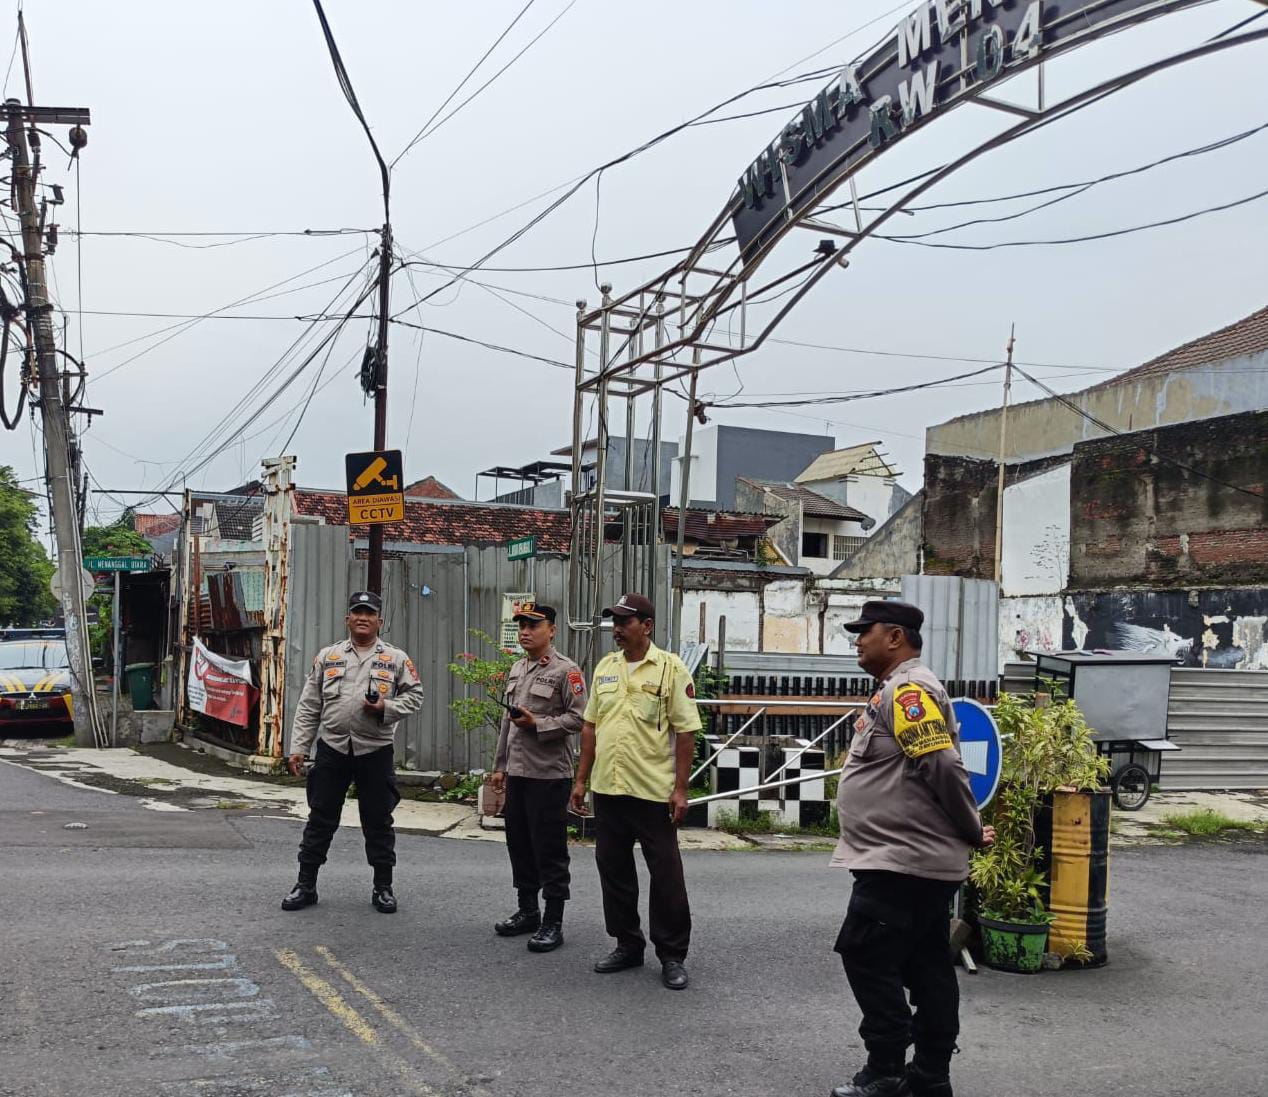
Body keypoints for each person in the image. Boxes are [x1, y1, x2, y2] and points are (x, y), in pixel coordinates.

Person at [829, 600, 995, 1097]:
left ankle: (885, 1069)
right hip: (912, 860)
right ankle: (929, 1078)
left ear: (895, 637)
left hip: (901, 861)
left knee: (865, 955)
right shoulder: (898, 689)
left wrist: (970, 827)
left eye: (866, 631)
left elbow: (941, 766)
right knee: (927, 965)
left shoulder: (908, 690)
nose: (858, 640)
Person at [570, 592, 700, 990]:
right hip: (609, 788)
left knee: (666, 875)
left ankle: (672, 954)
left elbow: (686, 730)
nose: (617, 629)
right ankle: (627, 944)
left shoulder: (670, 669)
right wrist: (581, 779)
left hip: (652, 792)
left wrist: (680, 789)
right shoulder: (606, 669)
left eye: (625, 622)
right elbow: (590, 726)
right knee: (614, 869)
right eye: (615, 621)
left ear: (647, 625)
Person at [281, 591, 424, 915]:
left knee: (378, 821)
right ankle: (305, 884)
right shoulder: (328, 656)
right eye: (357, 612)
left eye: (369, 613)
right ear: (347, 619)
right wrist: (298, 748)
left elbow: (415, 697)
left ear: (380, 621)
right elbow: (309, 706)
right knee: (320, 818)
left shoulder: (396, 658)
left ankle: (383, 887)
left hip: (375, 750)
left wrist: (386, 707)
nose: (363, 618)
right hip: (332, 748)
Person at [489, 601, 587, 953]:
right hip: (518, 773)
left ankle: (553, 921)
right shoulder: (517, 668)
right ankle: (528, 910)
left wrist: (539, 724)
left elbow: (579, 720)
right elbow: (507, 723)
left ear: (552, 630)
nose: (526, 631)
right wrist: (500, 766)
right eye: (522, 626)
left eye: (534, 625)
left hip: (548, 775)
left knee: (550, 850)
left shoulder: (567, 671)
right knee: (520, 844)